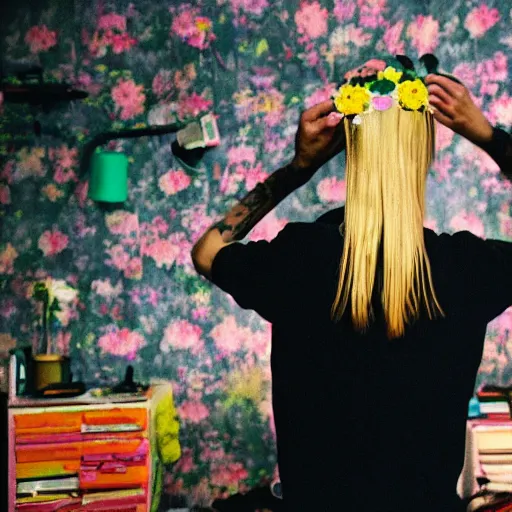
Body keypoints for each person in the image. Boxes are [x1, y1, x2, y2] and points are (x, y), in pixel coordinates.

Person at [191, 57, 512, 512]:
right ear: (424, 152)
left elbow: (206, 250)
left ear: (351, 153)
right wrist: (490, 137)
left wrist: (298, 168)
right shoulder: (468, 268)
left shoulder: (299, 258)